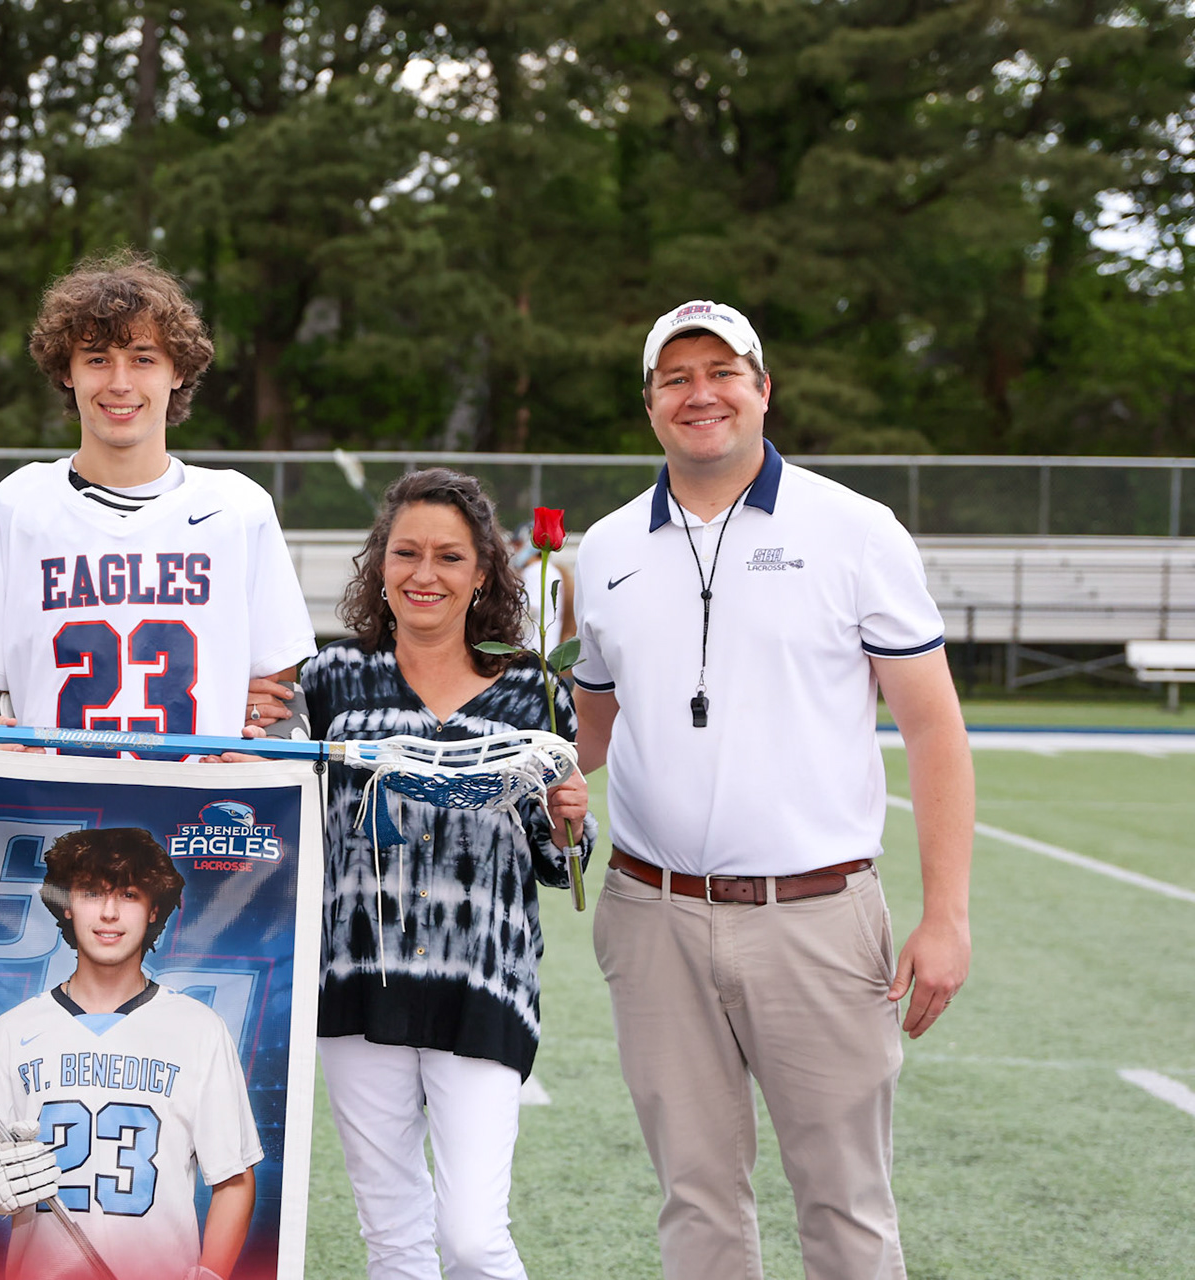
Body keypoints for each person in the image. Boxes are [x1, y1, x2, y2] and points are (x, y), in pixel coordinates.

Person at [571, 300, 974, 1279]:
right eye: (676, 377)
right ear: (650, 401)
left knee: (844, 1206)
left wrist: (947, 916)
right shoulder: (607, 546)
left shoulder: (856, 529)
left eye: (722, 371)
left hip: (817, 915)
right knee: (696, 1202)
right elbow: (588, 723)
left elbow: (933, 725)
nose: (699, 393)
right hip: (652, 911)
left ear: (762, 388)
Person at [298, 468, 594, 1280]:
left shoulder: (534, 694)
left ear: (483, 575)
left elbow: (557, 858)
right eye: (405, 553)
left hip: (482, 978)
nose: (424, 574)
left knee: (470, 1236)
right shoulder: (327, 682)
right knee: (393, 1239)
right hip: (358, 975)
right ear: (379, 566)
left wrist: (571, 820)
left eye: (449, 557)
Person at [0, 252, 315, 748]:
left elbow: (279, 703)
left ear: (178, 372)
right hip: (53, 809)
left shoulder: (239, 509)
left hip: (194, 813)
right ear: (66, 371)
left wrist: (267, 746)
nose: (119, 383)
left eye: (143, 358)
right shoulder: (16, 507)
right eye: (97, 359)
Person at [0, 827, 262, 1280]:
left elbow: (234, 1179)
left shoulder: (199, 1029)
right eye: (90, 893)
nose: (108, 913)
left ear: (154, 907)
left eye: (128, 894)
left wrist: (211, 1274)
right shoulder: (12, 1031)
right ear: (66, 903)